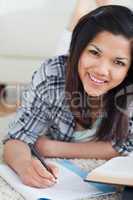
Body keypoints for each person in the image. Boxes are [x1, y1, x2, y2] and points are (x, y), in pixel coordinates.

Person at [3, 4, 133, 189]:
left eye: (119, 62)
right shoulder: (53, 74)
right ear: (80, 49)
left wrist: (52, 148)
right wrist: (24, 166)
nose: (102, 70)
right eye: (94, 52)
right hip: (68, 73)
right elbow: (17, 137)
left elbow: (126, 146)